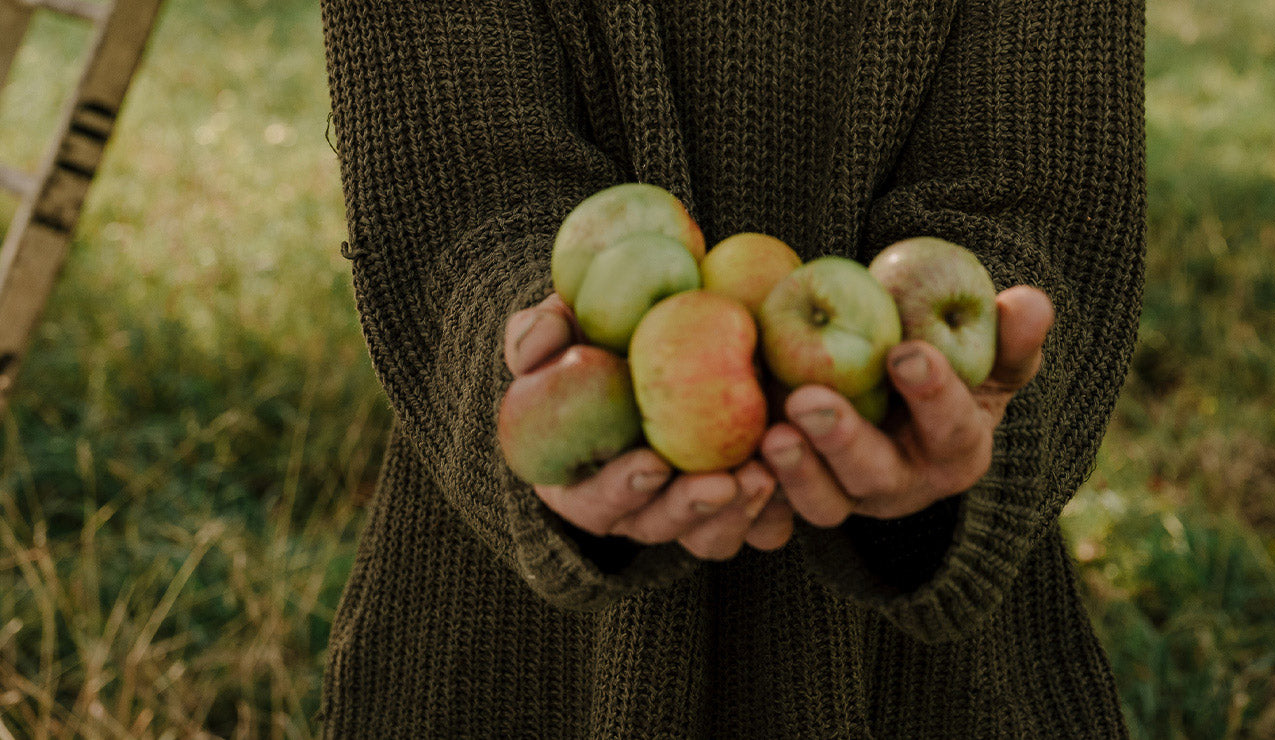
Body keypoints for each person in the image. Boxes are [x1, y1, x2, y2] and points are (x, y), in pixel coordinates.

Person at [317, 0, 1145, 737]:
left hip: (932, 682)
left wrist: (941, 427)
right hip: (502, 654)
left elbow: (1035, 191)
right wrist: (559, 382)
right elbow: (460, 190)